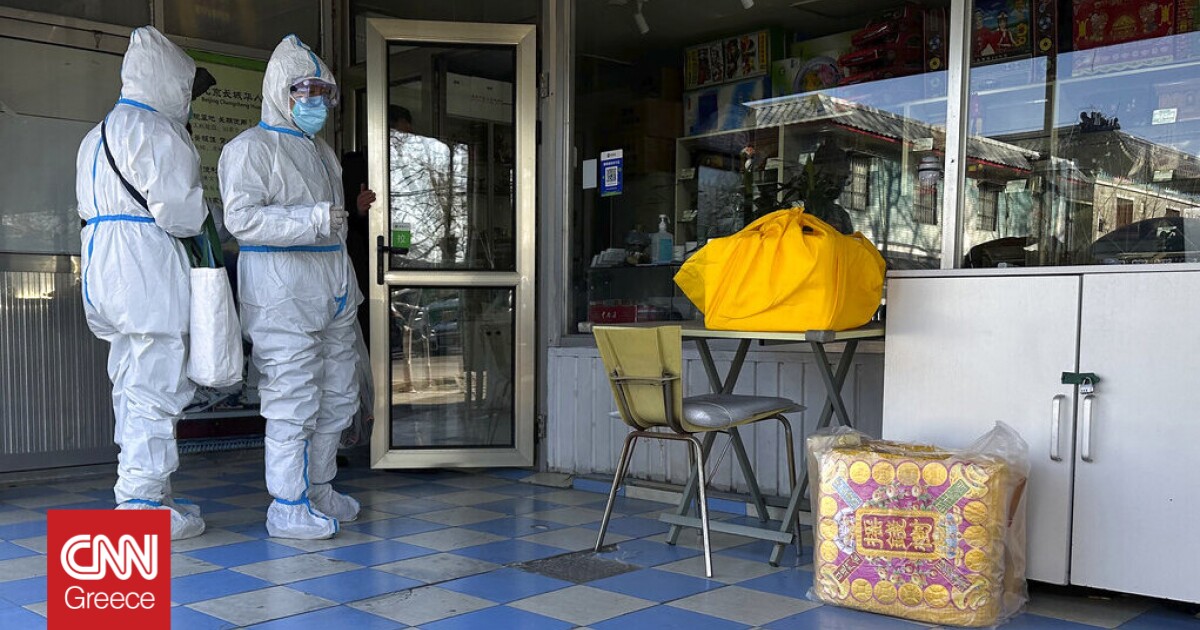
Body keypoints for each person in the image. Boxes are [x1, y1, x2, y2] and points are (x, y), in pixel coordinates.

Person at [219, 35, 374, 539]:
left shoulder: (323, 152)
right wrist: (309, 219)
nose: (316, 103)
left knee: (338, 393)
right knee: (292, 398)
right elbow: (242, 220)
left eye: (324, 93)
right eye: (306, 91)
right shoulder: (249, 149)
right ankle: (287, 504)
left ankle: (319, 487)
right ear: (279, 91)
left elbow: (334, 225)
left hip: (332, 289)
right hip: (281, 293)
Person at [74, 26, 208, 540]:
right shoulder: (158, 131)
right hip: (146, 269)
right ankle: (142, 503)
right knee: (157, 386)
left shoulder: (96, 134)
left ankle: (146, 491)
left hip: (103, 268)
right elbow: (182, 214)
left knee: (129, 383)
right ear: (171, 80)